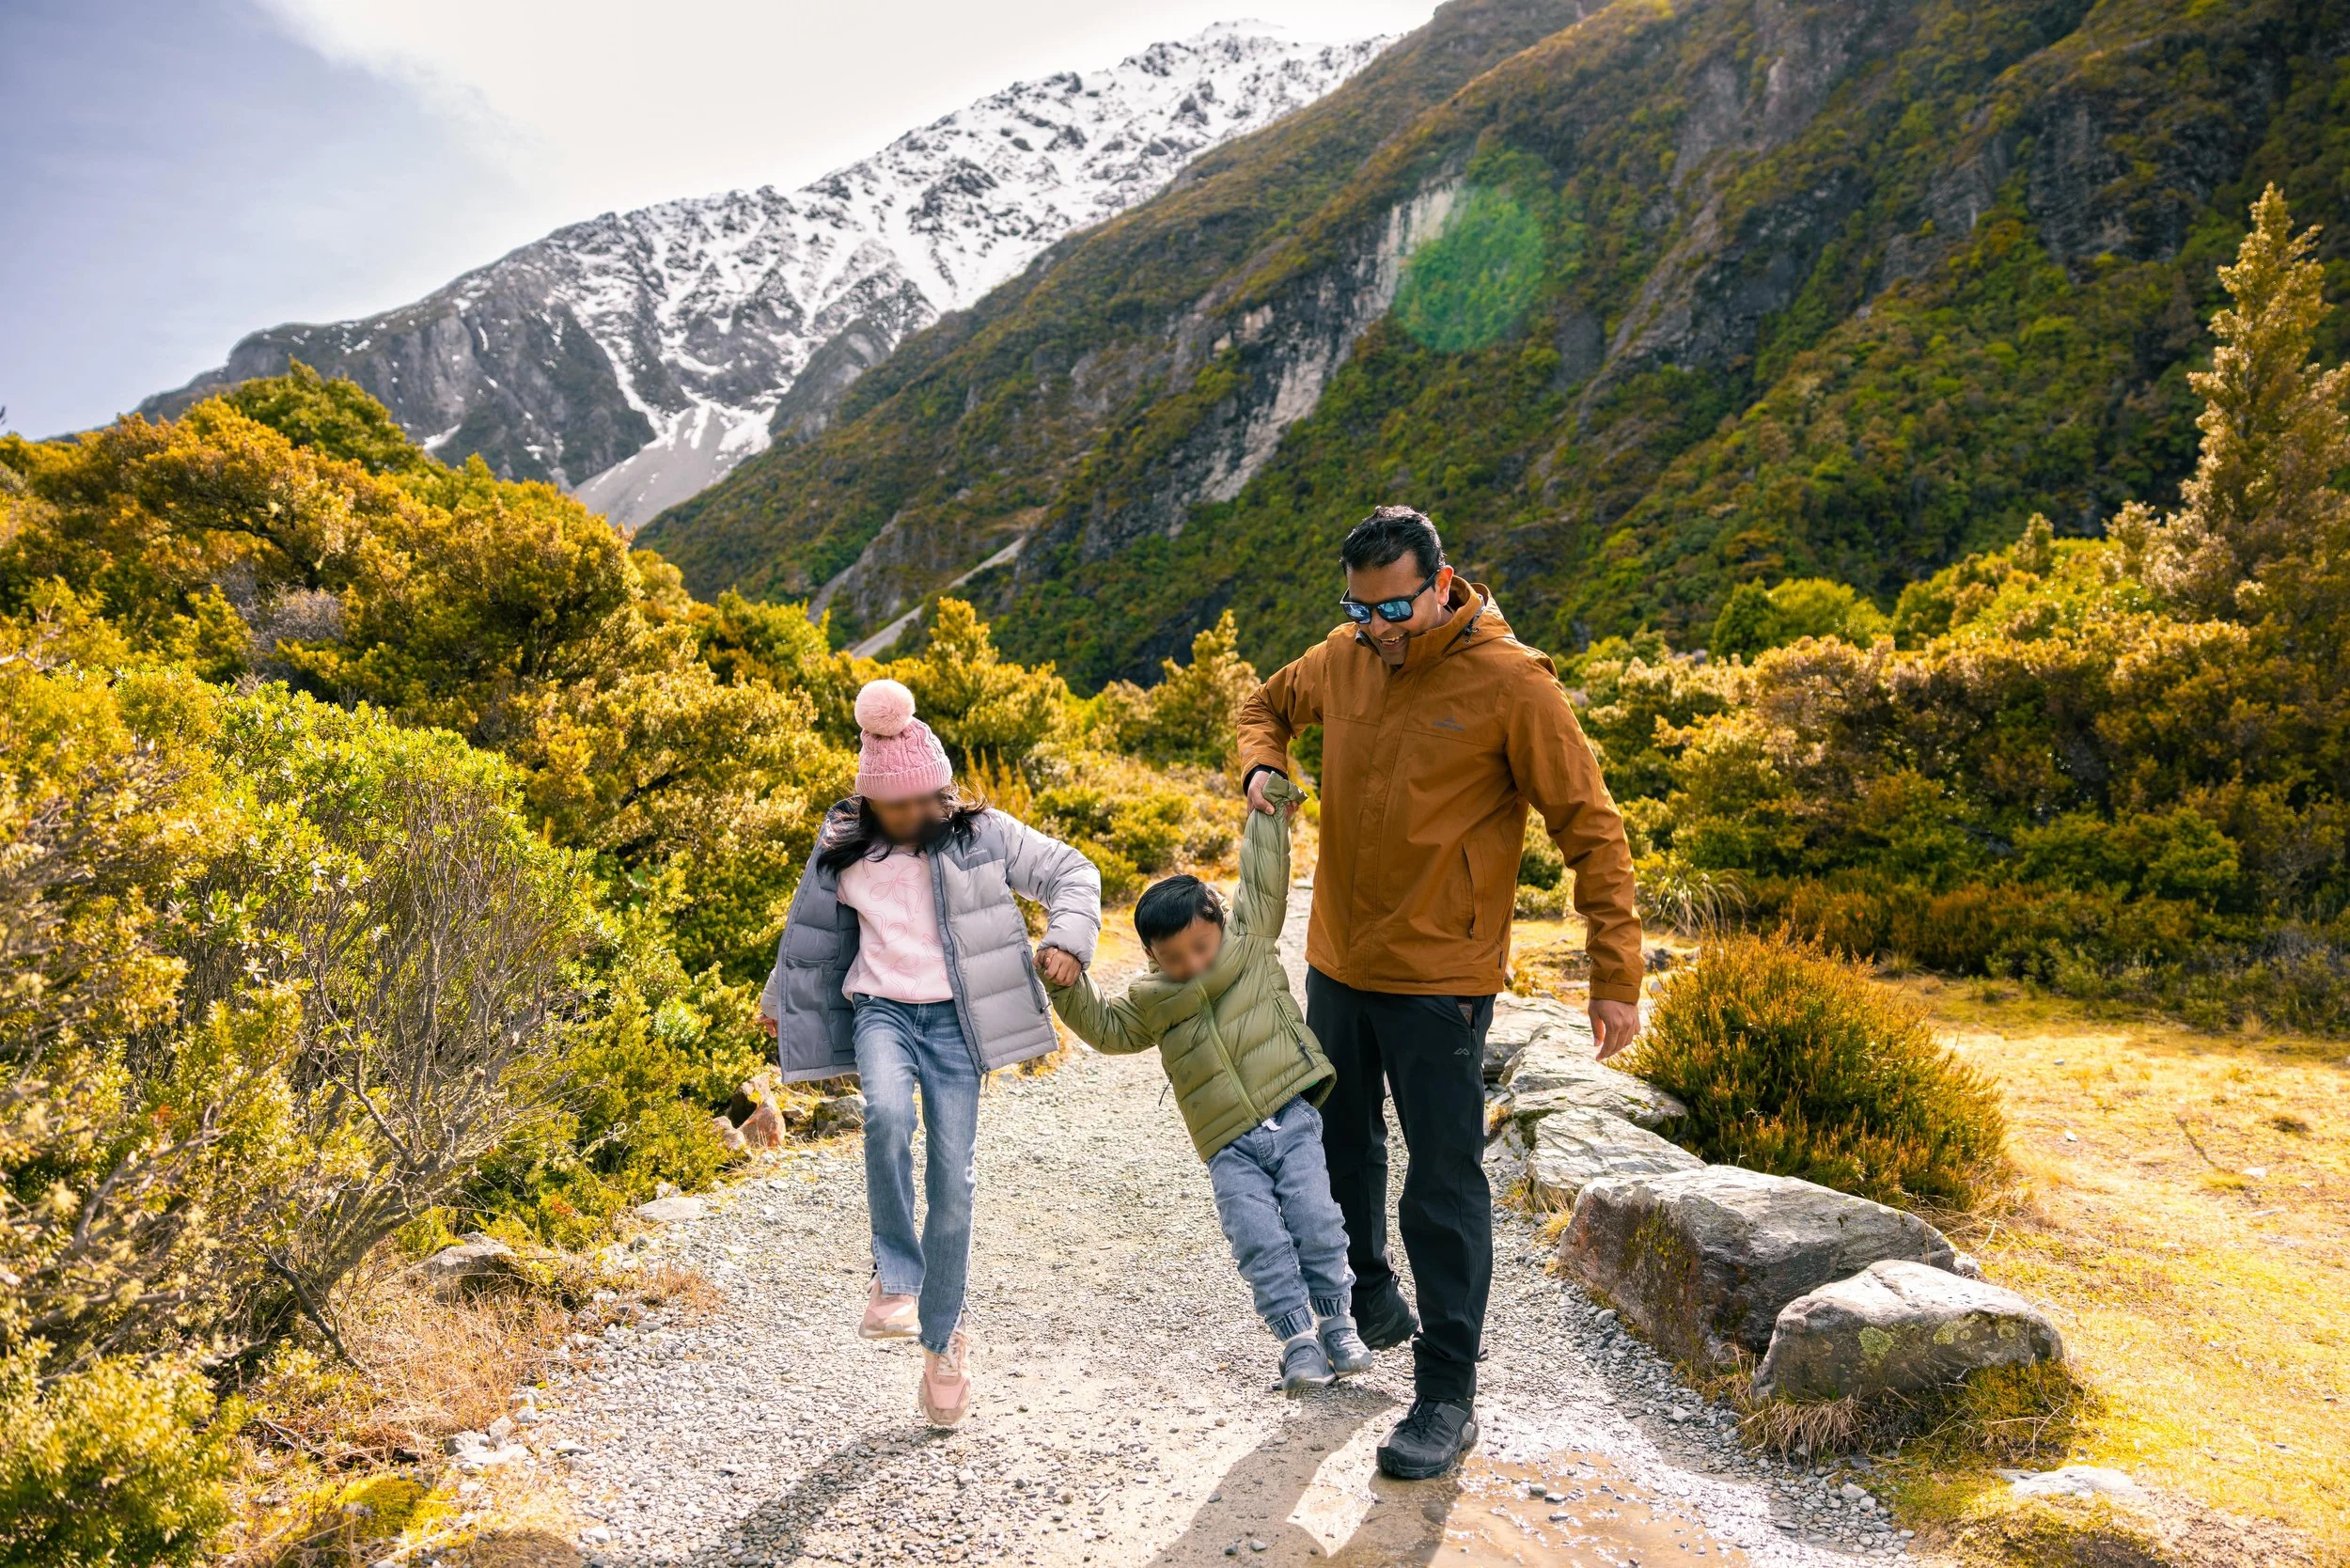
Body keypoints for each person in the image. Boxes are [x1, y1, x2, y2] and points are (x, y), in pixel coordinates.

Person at [1234, 506, 1644, 1480]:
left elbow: (1590, 827)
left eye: (1395, 607)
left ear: (1442, 580)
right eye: (1360, 607)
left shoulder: (1514, 685)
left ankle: (1446, 1394)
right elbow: (1263, 705)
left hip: (1440, 980)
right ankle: (1369, 1288)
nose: (1377, 627)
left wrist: (1615, 973)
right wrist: (1262, 763)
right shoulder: (1340, 657)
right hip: (1337, 958)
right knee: (1335, 1147)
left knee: (1443, 1182)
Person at [757, 678, 1101, 1429]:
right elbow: (809, 933)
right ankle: (894, 1283)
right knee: (882, 1114)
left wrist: (1067, 938)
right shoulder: (843, 844)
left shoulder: (983, 835)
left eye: (929, 800)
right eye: (900, 803)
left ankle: (944, 1345)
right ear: (872, 799)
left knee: (954, 1181)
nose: (918, 815)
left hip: (957, 1025)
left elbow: (1071, 872)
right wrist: (778, 998)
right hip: (880, 1009)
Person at [1039, 775, 1374, 1392]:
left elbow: (1264, 876)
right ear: (1151, 956)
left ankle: (1339, 1326)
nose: (1191, 963)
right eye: (1175, 957)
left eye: (1200, 945)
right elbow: (1109, 1030)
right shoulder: (1152, 1000)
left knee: (1318, 1223)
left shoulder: (1249, 942)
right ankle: (1298, 1343)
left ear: (1217, 920)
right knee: (1259, 1242)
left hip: (1291, 1116)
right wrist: (1067, 984)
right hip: (1227, 1145)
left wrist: (1267, 814)